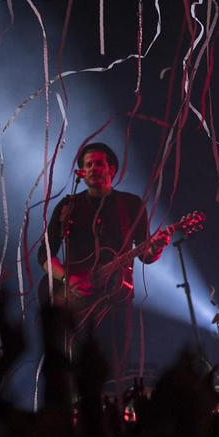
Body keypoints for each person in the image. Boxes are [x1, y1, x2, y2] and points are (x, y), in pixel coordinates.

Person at [39, 142, 168, 373]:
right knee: (76, 367)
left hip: (116, 300)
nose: (93, 169)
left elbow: (145, 255)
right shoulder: (68, 206)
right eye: (87, 165)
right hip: (76, 301)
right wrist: (68, 279)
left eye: (98, 163)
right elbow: (45, 255)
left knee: (116, 367)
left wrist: (156, 247)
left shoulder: (130, 204)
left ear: (112, 169)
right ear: (81, 172)